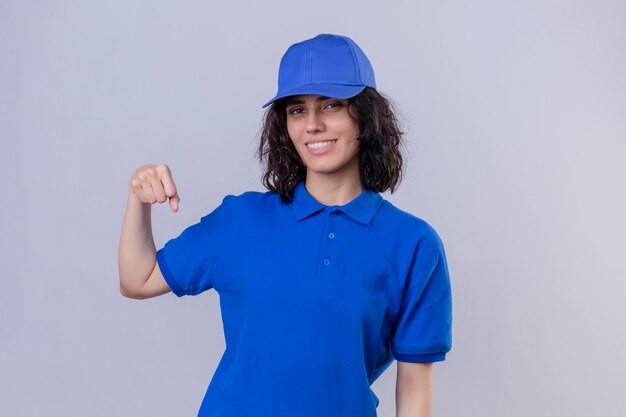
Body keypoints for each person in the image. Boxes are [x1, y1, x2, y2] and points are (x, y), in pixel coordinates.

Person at [118, 33, 452, 417]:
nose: (312, 124)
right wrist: (137, 201)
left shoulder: (413, 245)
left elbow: (413, 395)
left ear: (366, 115)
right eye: (297, 110)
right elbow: (137, 280)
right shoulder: (240, 220)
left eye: (331, 105)